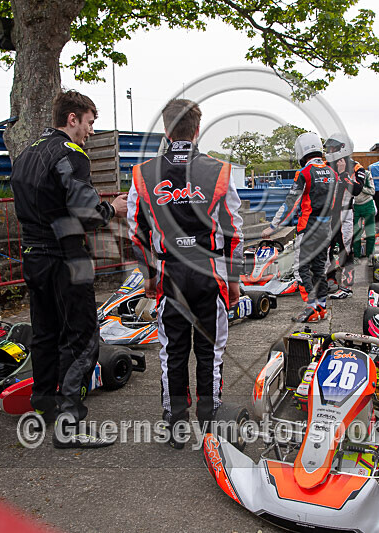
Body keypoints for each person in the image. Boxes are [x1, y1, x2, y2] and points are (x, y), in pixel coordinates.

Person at [11, 89, 127, 448]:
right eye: (90, 123)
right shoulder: (71, 154)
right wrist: (114, 209)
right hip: (66, 256)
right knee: (82, 338)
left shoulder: (27, 153)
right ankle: (70, 422)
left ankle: (44, 403)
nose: (91, 132)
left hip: (33, 253)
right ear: (72, 118)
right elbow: (88, 212)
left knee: (44, 333)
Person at [127, 99, 243, 448]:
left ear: (166, 130)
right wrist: (234, 281)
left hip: (169, 274)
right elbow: (234, 231)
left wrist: (149, 276)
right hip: (210, 273)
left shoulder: (143, 174)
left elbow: (137, 231)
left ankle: (175, 424)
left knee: (172, 351)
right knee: (211, 351)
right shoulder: (220, 171)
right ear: (196, 130)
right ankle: (211, 424)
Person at [262, 132, 336, 322]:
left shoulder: (304, 173)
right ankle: (322, 308)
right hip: (326, 228)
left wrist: (273, 227)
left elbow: (290, 203)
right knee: (320, 269)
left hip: (308, 227)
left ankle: (311, 308)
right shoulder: (332, 172)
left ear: (302, 151)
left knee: (300, 269)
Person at [324, 133, 365, 299]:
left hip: (345, 213)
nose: (330, 151)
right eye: (329, 148)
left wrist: (343, 175)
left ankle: (347, 286)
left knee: (345, 249)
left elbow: (357, 190)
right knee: (327, 249)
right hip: (328, 214)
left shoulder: (356, 168)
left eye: (333, 148)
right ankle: (330, 280)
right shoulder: (326, 166)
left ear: (343, 148)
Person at [352, 167, 377, 259]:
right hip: (355, 206)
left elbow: (372, 191)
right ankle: (356, 256)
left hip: (368, 204)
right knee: (356, 232)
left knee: (370, 232)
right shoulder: (347, 175)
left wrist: (359, 187)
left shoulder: (366, 174)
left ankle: (370, 255)